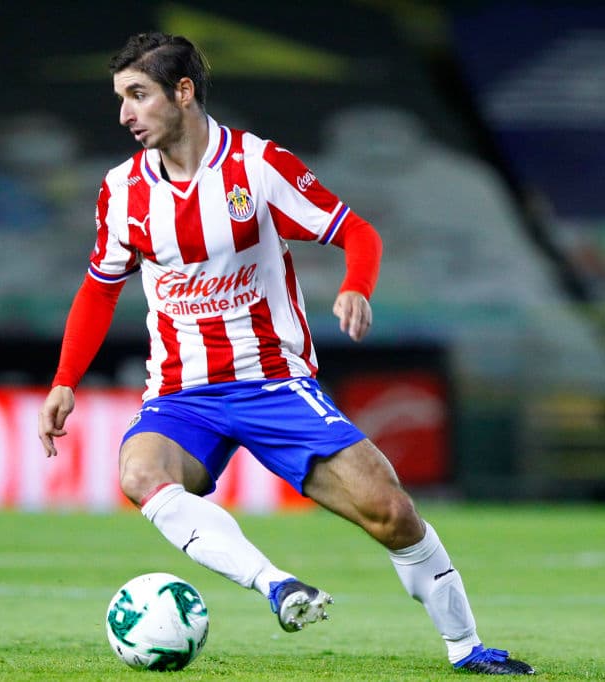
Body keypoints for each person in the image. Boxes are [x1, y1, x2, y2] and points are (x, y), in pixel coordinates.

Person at [38, 32, 533, 675]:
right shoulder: (121, 191)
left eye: (138, 95)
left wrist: (355, 286)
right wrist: (64, 379)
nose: (125, 114)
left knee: (391, 512)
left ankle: (467, 649)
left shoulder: (257, 166)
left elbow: (356, 232)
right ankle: (277, 585)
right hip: (181, 393)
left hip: (273, 382)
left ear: (183, 93)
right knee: (139, 474)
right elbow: (99, 290)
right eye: (121, 98)